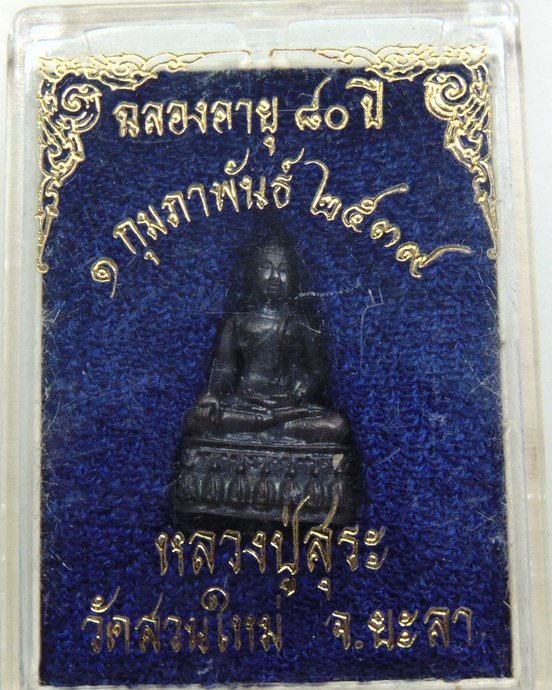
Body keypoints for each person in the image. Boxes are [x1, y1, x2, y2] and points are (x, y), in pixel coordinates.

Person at [187, 234, 349, 444]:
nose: (275, 277)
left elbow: (316, 370)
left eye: (283, 270)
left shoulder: (301, 325)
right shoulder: (237, 322)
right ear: (252, 274)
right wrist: (212, 395)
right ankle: (269, 425)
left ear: (294, 278)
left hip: (289, 407)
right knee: (198, 418)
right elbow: (225, 369)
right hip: (246, 405)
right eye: (266, 268)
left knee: (336, 426)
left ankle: (267, 426)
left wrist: (304, 389)